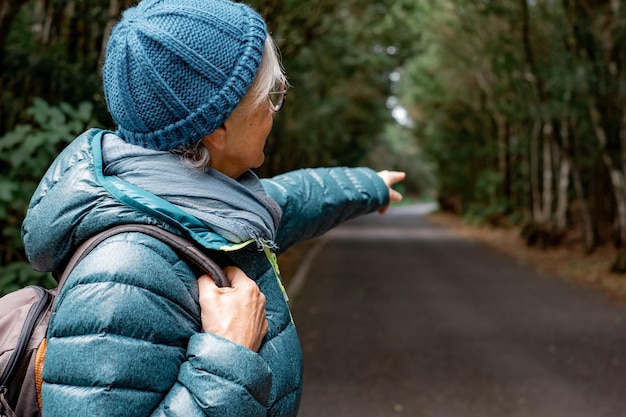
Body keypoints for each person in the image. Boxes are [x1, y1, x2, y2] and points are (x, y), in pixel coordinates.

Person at [20, 0, 405, 415]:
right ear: (219, 128)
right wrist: (228, 356)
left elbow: (283, 203)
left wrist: (367, 186)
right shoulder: (121, 276)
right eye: (270, 97)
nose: (275, 112)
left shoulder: (200, 204)